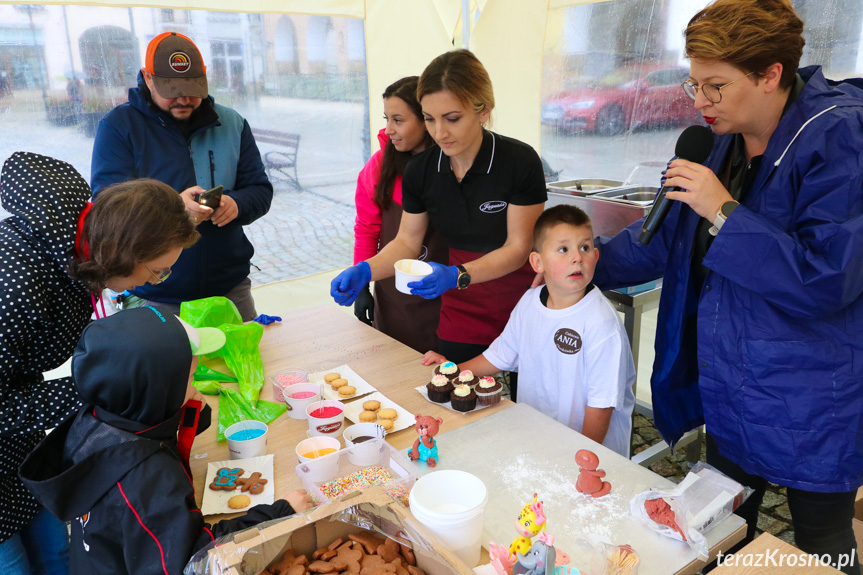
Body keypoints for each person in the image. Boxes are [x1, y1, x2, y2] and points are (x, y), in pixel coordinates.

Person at [592, 0, 863, 570]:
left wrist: (726, 211)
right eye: (694, 85)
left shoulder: (837, 139)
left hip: (813, 397)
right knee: (720, 531)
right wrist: (585, 264)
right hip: (731, 386)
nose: (700, 102)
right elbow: (668, 240)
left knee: (821, 545)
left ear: (771, 75)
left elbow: (826, 279)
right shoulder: (721, 139)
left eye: (715, 86)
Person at [0, 151, 198, 574]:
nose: (153, 282)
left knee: (54, 549)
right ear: (126, 253)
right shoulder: (15, 286)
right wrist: (93, 388)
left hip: (17, 436)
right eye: (156, 271)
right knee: (14, 562)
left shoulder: (80, 247)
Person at [19, 307, 313, 574]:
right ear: (160, 394)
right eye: (191, 376)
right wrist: (278, 513)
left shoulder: (96, 419)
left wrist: (180, 409)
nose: (196, 383)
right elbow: (191, 558)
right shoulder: (150, 478)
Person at [332, 50, 547, 393]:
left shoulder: (518, 161)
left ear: (483, 110)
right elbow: (406, 242)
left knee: (530, 402)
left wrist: (457, 275)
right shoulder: (422, 170)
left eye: (452, 118)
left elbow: (518, 248)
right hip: (460, 307)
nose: (440, 132)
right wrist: (365, 271)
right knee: (455, 396)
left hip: (518, 299)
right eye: (430, 119)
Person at [423, 206, 635, 456]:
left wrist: (582, 459)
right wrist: (452, 371)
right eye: (563, 249)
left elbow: (601, 407)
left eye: (585, 247)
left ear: (596, 257)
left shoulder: (600, 322)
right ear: (537, 262)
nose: (577, 257)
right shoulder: (529, 303)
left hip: (589, 457)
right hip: (537, 440)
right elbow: (499, 356)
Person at [91, 31, 273, 322]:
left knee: (242, 365)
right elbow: (107, 207)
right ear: (147, 78)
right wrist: (172, 209)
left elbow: (260, 190)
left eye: (191, 88)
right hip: (154, 294)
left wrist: (236, 204)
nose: (183, 99)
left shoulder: (232, 123)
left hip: (229, 289)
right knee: (168, 369)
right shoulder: (118, 127)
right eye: (171, 89)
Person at [353, 76, 447, 353]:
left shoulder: (451, 162)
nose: (389, 129)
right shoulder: (378, 166)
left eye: (398, 120)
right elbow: (367, 229)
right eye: (387, 119)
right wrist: (362, 287)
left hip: (444, 290)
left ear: (425, 120)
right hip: (393, 294)